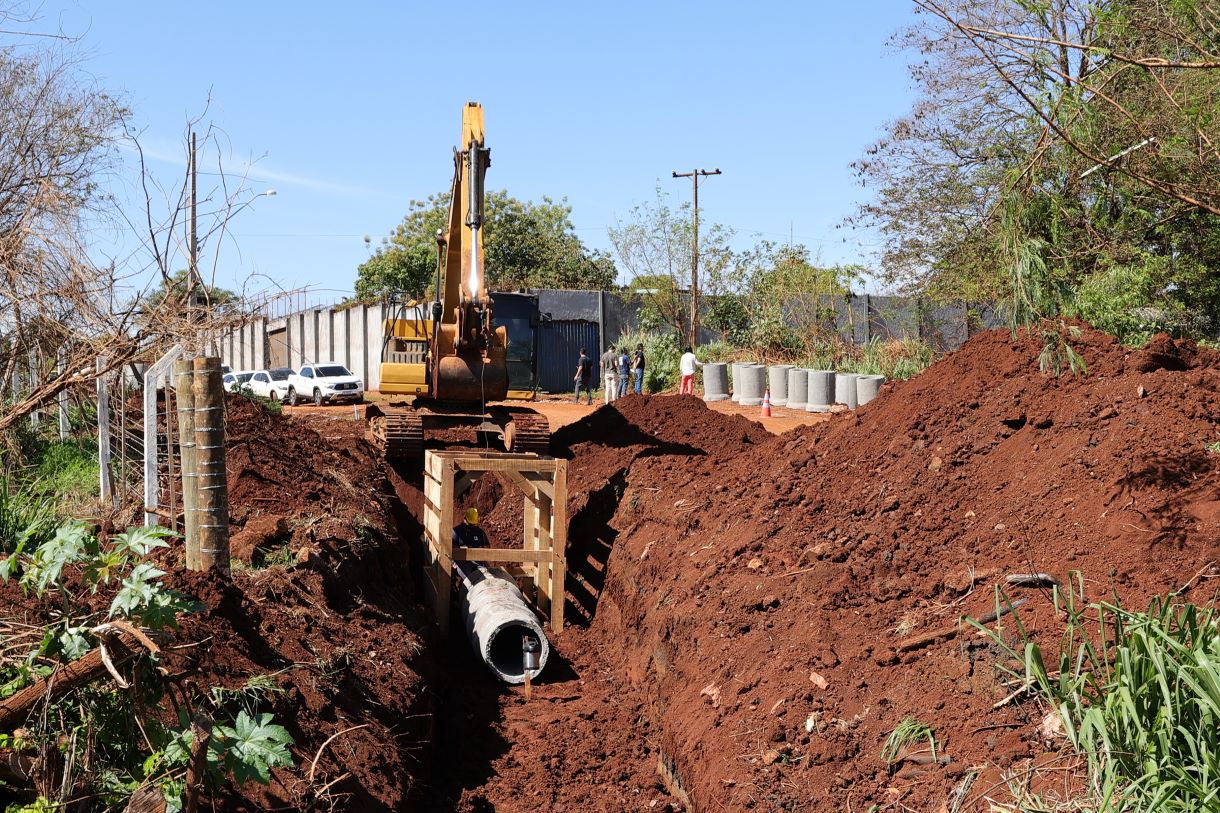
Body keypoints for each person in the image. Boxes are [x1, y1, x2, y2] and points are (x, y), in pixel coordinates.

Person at [452, 507, 489, 580]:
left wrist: (479, 550)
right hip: (462, 562)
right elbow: (450, 549)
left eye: (473, 524)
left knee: (485, 575)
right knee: (472, 577)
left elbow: (487, 547)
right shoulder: (456, 531)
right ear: (464, 518)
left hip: (478, 562)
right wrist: (463, 549)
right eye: (469, 524)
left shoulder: (479, 532)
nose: (471, 526)